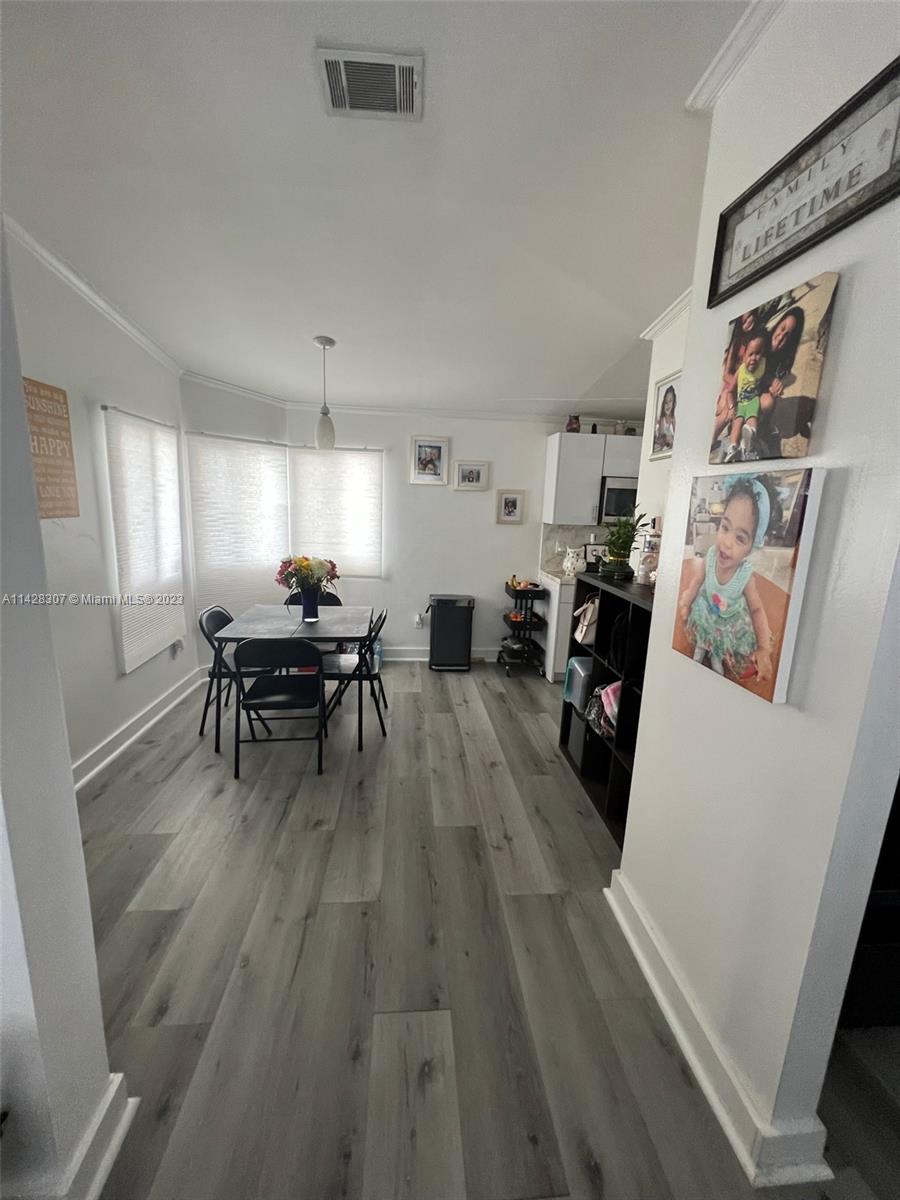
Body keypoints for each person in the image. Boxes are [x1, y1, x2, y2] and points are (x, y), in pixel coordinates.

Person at [678, 475, 774, 682]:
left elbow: (757, 609)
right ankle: (700, 653)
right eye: (725, 527)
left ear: (751, 547)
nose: (727, 542)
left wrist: (764, 648)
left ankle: (716, 658)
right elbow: (697, 580)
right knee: (703, 636)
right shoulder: (711, 555)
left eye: (740, 538)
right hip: (706, 612)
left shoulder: (745, 576)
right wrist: (687, 600)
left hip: (729, 621)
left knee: (718, 648)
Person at [756, 306, 805, 456]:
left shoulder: (784, 357)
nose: (781, 335)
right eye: (782, 328)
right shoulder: (761, 339)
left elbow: (779, 380)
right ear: (778, 324)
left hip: (760, 394)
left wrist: (775, 386)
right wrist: (770, 380)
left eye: (788, 334)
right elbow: (749, 370)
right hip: (745, 388)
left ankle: (756, 432)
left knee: (770, 402)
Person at [723, 333, 767, 462]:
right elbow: (729, 391)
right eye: (750, 354)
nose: (754, 358)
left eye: (758, 353)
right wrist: (731, 407)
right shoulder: (740, 371)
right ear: (744, 357)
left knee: (751, 419)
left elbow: (768, 378)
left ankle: (749, 442)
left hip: (753, 400)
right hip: (741, 403)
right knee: (737, 421)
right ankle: (733, 447)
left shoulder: (763, 366)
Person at [654, 386, 677, 452]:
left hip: (665, 442)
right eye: (666, 402)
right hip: (659, 440)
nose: (668, 405)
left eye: (670, 401)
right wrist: (668, 436)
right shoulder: (662, 418)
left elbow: (676, 432)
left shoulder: (672, 417)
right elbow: (661, 433)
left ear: (673, 403)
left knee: (671, 439)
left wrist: (671, 438)